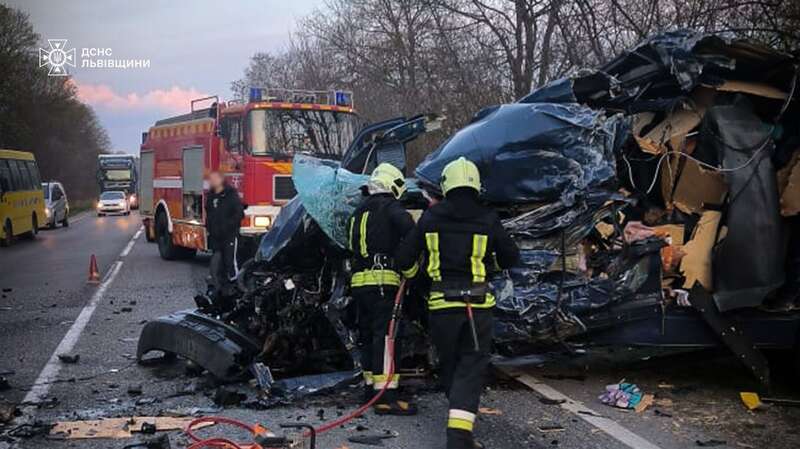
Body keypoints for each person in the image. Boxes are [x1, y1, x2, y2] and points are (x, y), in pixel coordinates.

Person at [396, 157, 519, 449]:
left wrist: (420, 281)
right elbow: (511, 257)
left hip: (442, 306)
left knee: (451, 365)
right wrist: (493, 267)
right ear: (476, 184)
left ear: (446, 185)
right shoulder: (488, 218)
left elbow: (404, 260)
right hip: (477, 306)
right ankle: (459, 437)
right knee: (472, 365)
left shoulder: (431, 217)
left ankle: (459, 423)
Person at [349, 163, 418, 415]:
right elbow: (413, 236)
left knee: (368, 337)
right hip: (383, 282)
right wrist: (410, 270)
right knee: (387, 338)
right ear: (394, 185)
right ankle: (386, 397)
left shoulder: (357, 212)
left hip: (359, 283)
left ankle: (370, 389)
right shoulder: (393, 208)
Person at [205, 171, 244, 300]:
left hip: (230, 235)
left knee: (230, 263)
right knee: (215, 264)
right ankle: (218, 290)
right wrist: (209, 228)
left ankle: (238, 289)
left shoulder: (231, 195)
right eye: (210, 179)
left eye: (214, 178)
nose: (211, 181)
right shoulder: (211, 197)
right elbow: (209, 214)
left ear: (221, 180)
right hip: (216, 237)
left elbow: (239, 214)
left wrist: (228, 226)